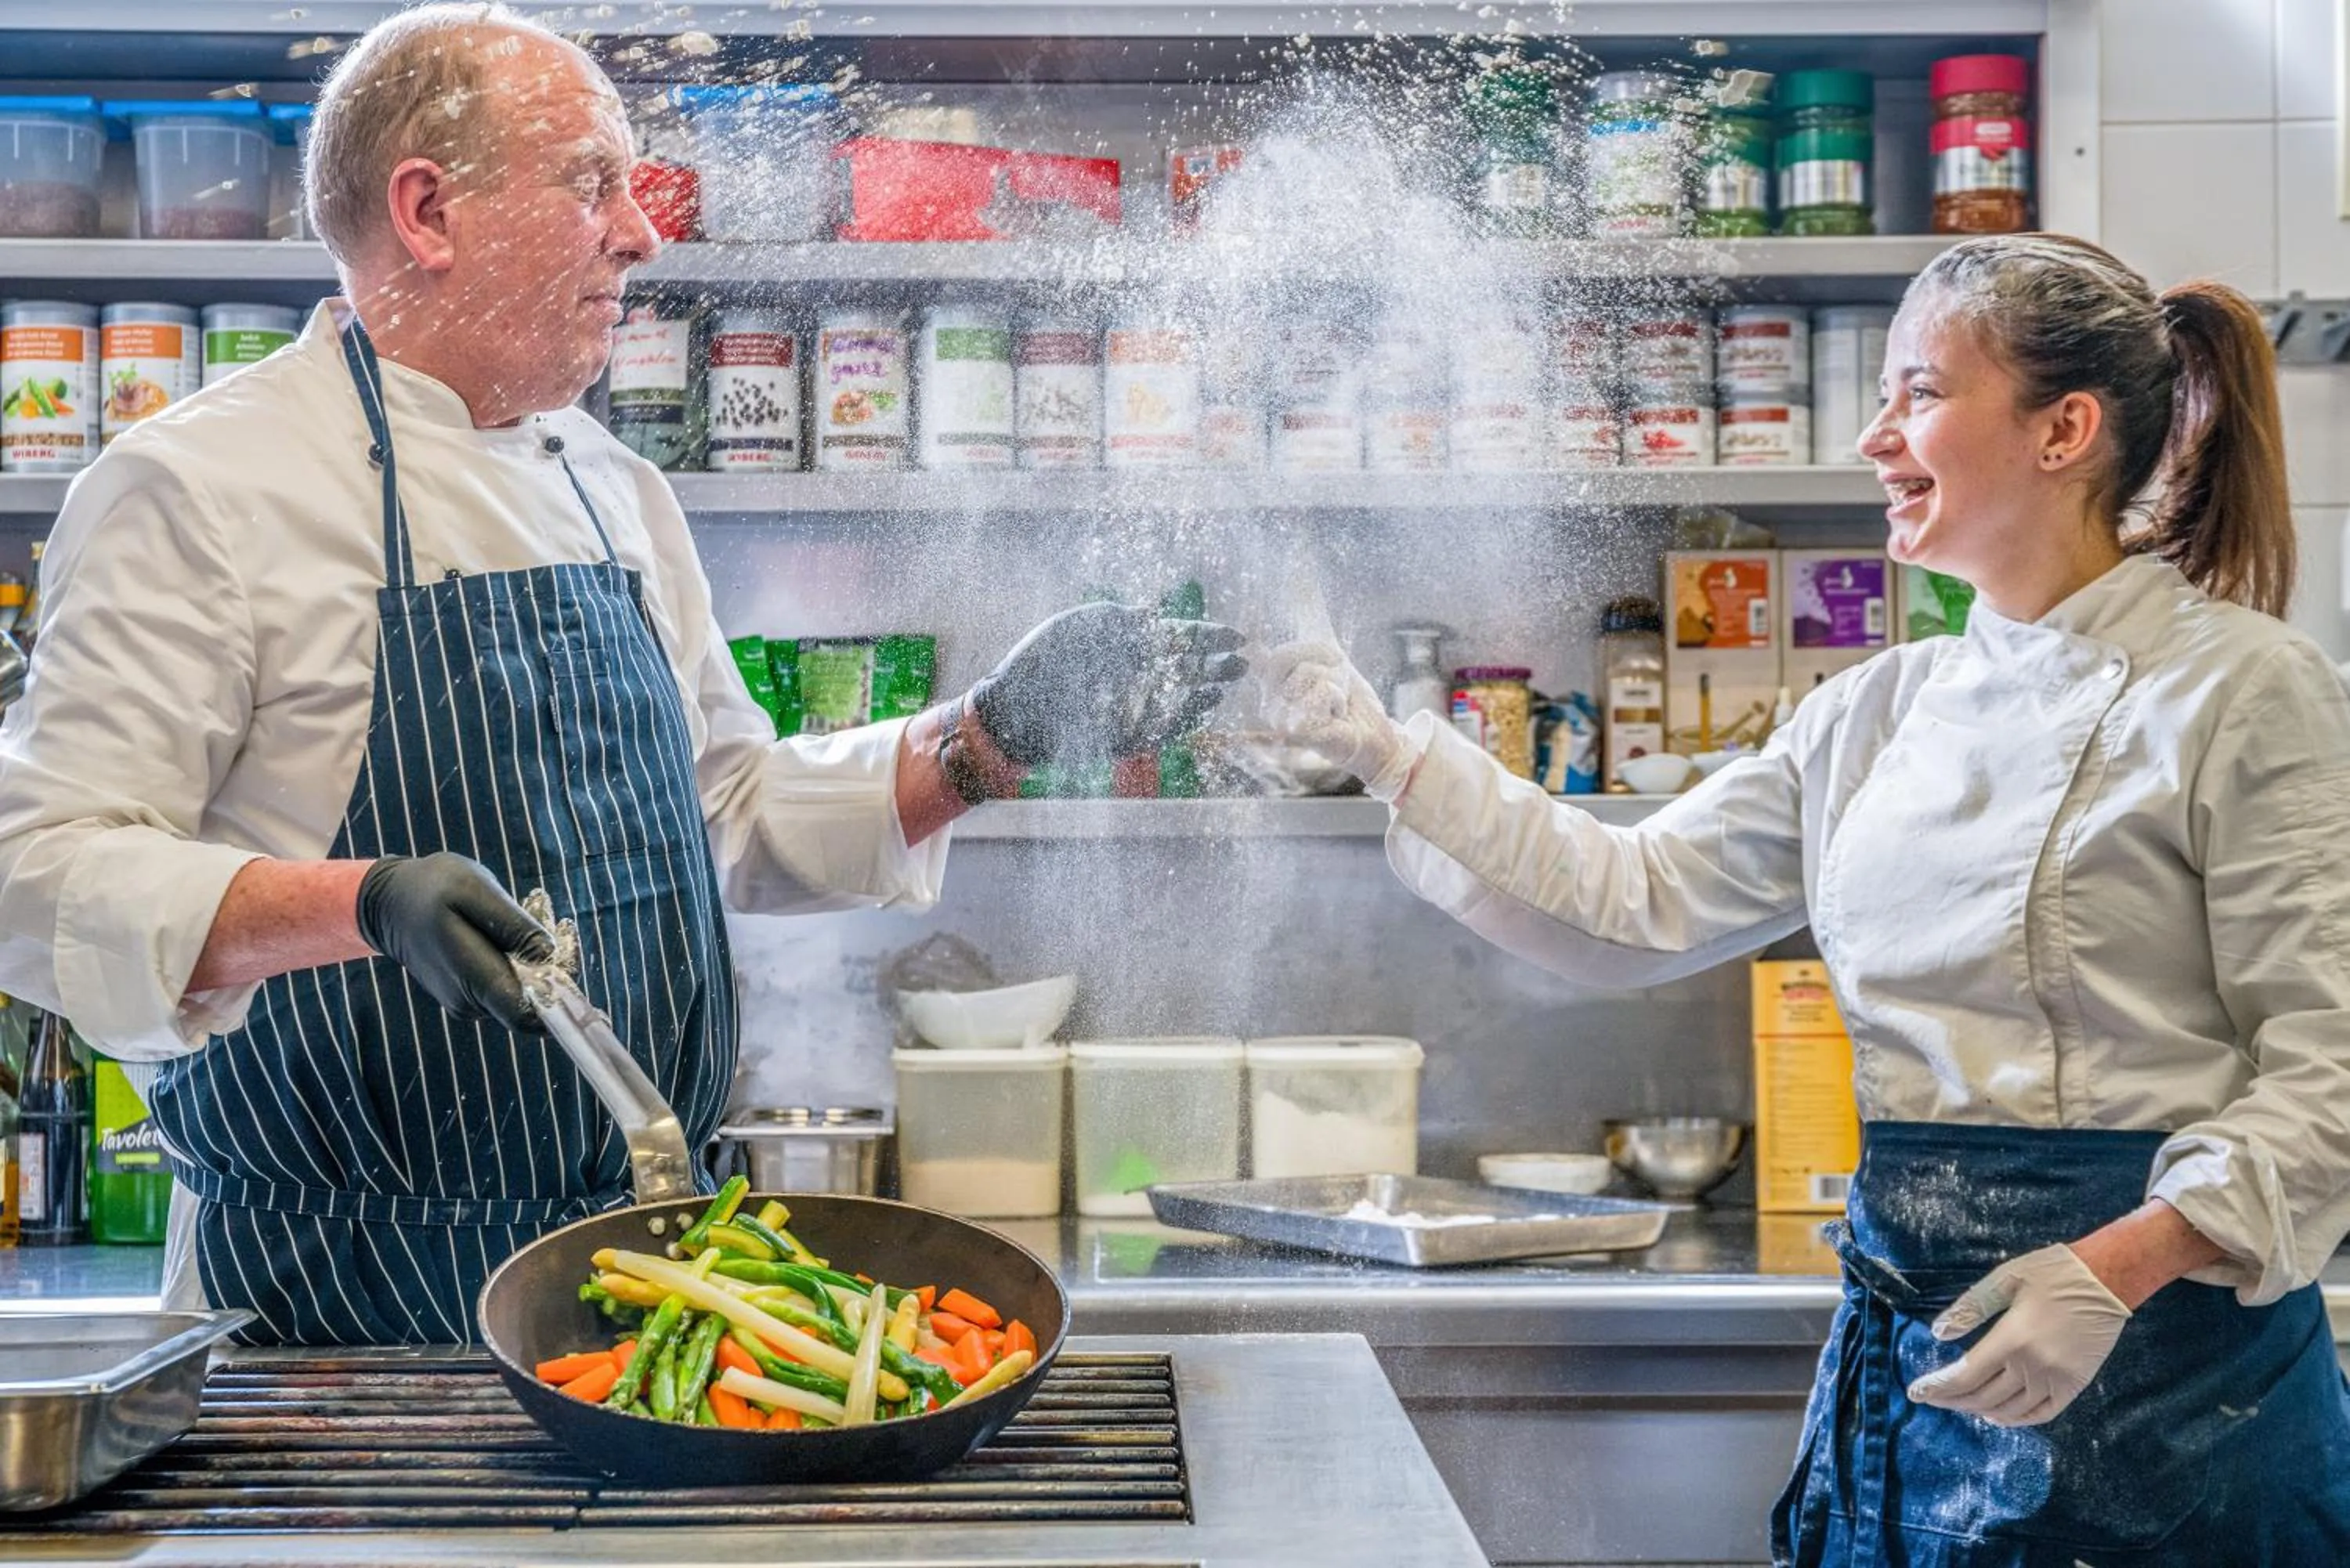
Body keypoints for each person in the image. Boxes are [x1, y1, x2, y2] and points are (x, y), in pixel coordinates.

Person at [0, 2, 1240, 1345]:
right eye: (592, 183)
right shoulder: (198, 487)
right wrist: (364, 904)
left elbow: (725, 812)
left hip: (644, 1278)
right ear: (428, 212)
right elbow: (38, 871)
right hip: (340, 1300)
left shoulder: (611, 486)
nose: (643, 231)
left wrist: (986, 740)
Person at [1267, 233, 2350, 1562]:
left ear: (2063, 430)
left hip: (2176, 1372)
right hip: (1916, 1346)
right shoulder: (1879, 708)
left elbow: (2331, 1069)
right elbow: (1635, 895)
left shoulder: (2244, 688)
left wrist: (2117, 1266)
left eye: (1920, 394)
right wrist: (1391, 753)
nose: (1874, 438)